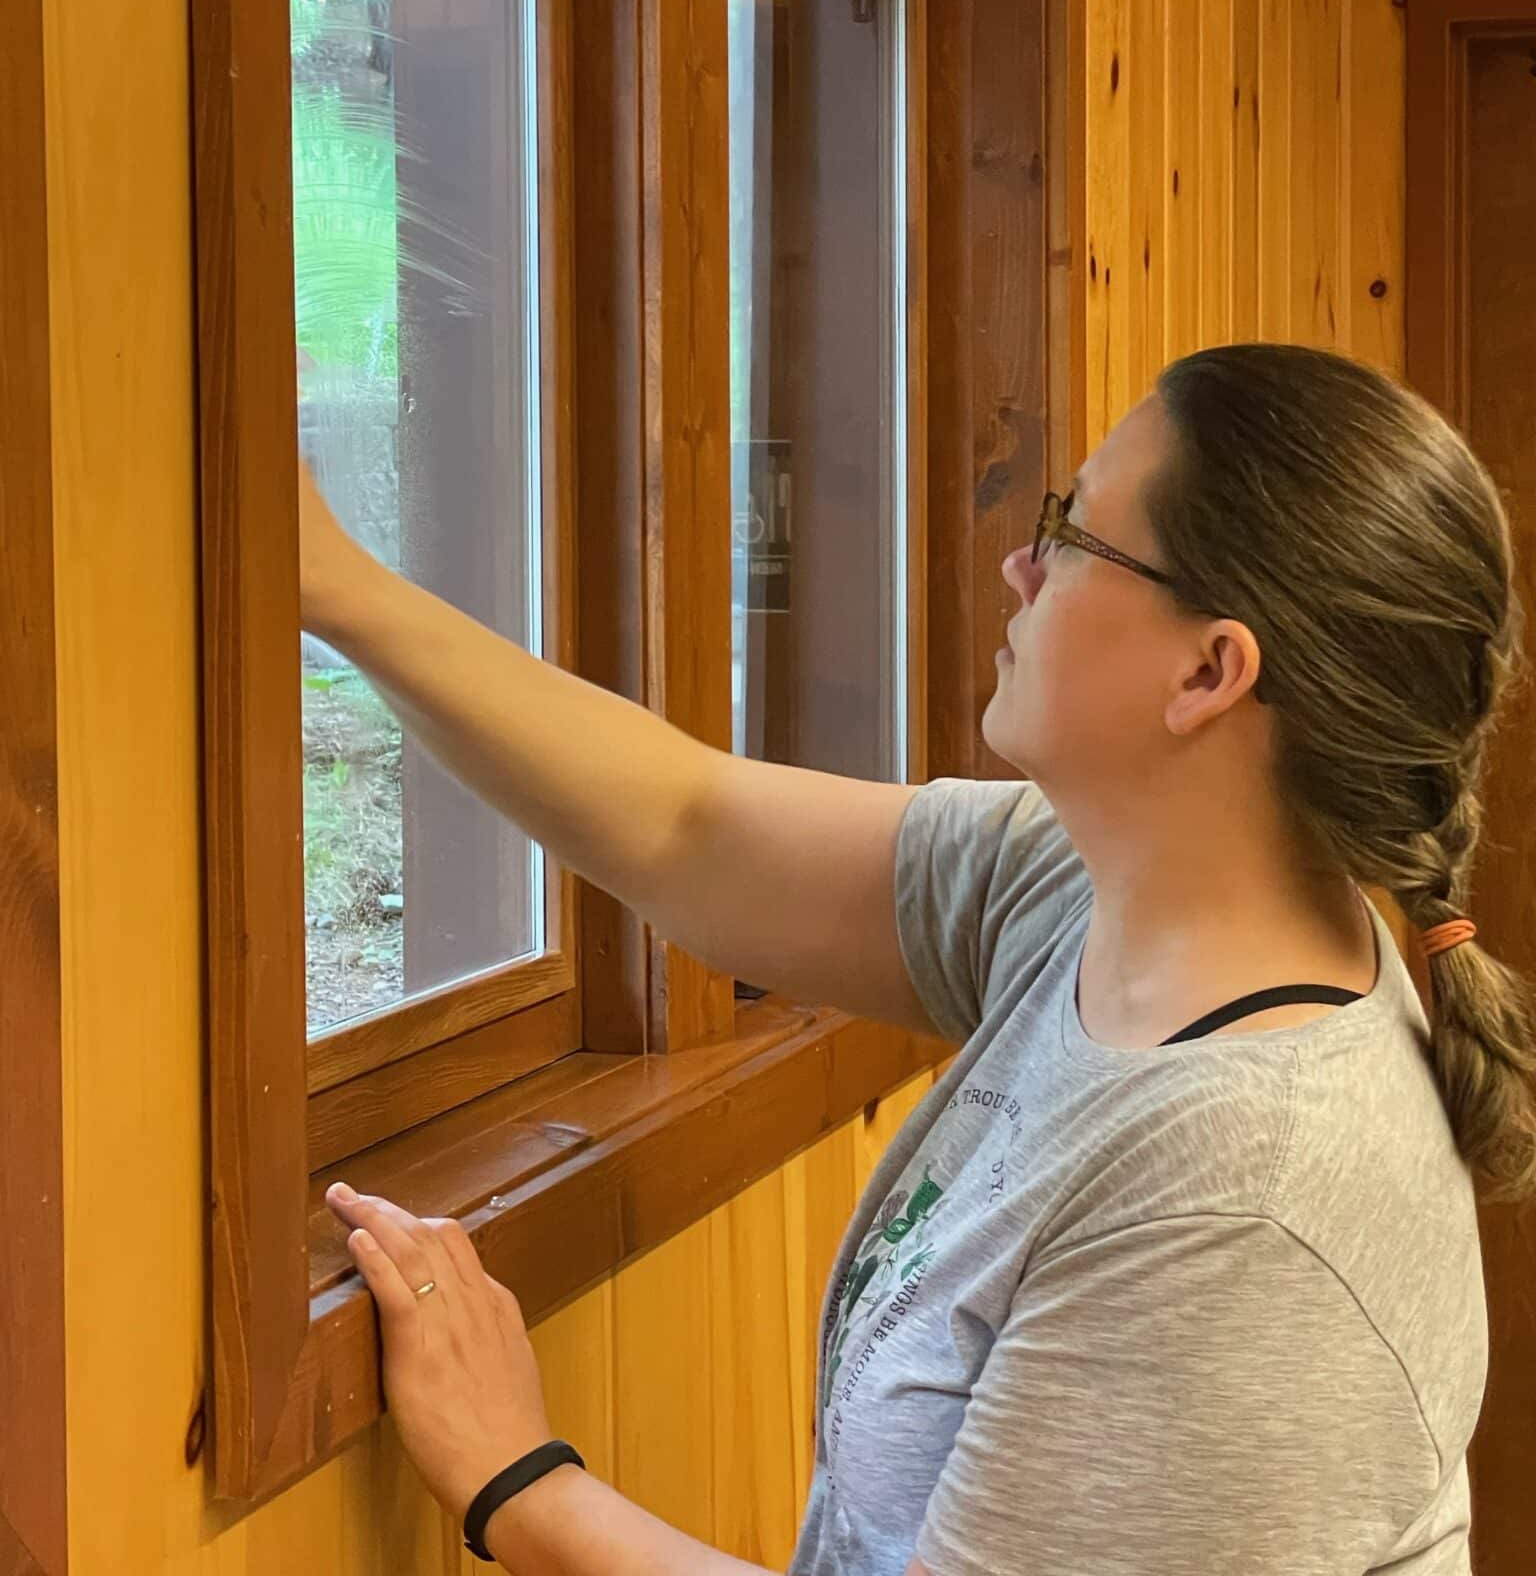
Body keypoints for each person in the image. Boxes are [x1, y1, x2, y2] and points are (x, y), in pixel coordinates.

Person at [309, 342, 1536, 1575]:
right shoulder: (1089, 887)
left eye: (1075, 534)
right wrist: (342, 587)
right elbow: (689, 828)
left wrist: (519, 1481)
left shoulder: (1246, 1201)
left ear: (1209, 670)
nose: (1021, 561)